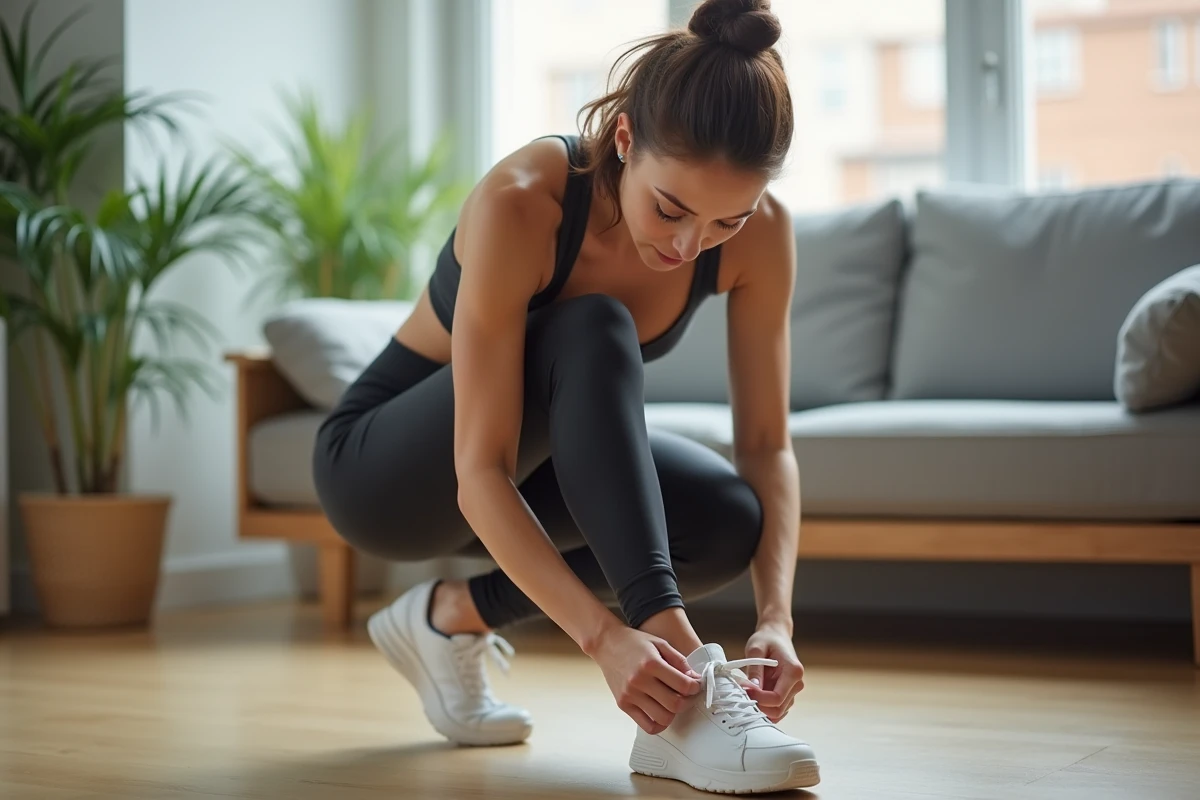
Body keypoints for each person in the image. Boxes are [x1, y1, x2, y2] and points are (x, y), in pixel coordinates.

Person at [311, 0, 817, 793]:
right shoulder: (525, 201)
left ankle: (448, 619)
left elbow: (765, 444)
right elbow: (478, 470)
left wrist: (777, 619)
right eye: (671, 208)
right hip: (387, 472)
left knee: (727, 520)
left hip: (533, 470)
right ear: (624, 141)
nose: (687, 247)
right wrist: (603, 638)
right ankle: (685, 689)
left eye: (726, 221)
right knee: (591, 328)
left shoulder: (765, 235)